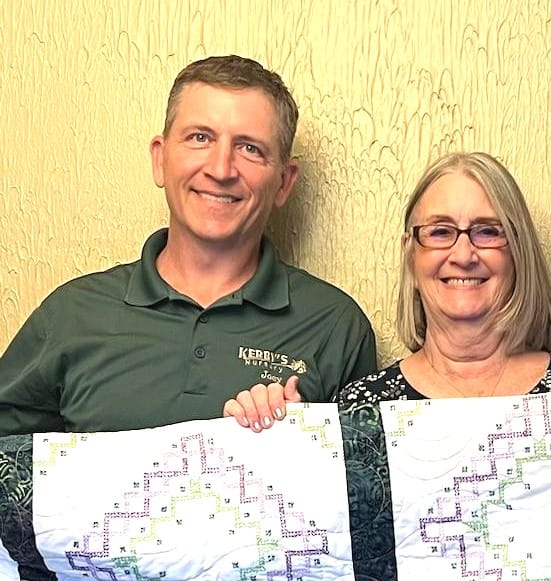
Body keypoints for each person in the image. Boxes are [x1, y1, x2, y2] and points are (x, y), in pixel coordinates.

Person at [0, 55, 376, 436]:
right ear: (160, 159)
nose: (220, 169)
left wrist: (304, 442)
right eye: (200, 138)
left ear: (283, 182)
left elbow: (363, 486)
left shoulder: (335, 326)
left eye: (249, 148)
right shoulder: (72, 314)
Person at [339, 151, 551, 409]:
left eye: (488, 231)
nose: (463, 255)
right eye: (440, 231)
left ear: (519, 253)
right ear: (411, 256)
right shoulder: (359, 407)